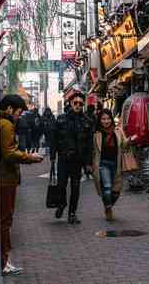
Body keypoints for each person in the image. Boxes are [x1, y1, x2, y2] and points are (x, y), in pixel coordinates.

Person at [0, 94, 43, 276]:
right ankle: (3, 261)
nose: (19, 115)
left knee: (3, 220)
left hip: (1, 177)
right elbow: (9, 153)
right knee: (5, 220)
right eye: (19, 112)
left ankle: (3, 259)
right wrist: (30, 157)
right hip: (6, 178)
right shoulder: (6, 124)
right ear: (9, 109)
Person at [51, 93, 94, 224]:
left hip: (78, 160)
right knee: (61, 184)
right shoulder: (61, 119)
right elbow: (54, 138)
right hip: (63, 158)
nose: (78, 106)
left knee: (75, 187)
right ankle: (62, 204)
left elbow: (89, 145)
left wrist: (88, 163)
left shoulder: (87, 121)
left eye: (81, 103)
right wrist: (52, 156)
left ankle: (72, 213)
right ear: (70, 103)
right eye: (75, 103)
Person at [91, 109, 135, 221]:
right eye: (103, 119)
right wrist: (89, 165)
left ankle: (108, 205)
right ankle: (108, 208)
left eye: (108, 119)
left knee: (116, 191)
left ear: (111, 119)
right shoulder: (96, 133)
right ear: (100, 120)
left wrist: (130, 140)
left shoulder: (118, 131)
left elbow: (124, 146)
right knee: (107, 187)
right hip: (102, 164)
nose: (106, 121)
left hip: (116, 163)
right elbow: (91, 150)